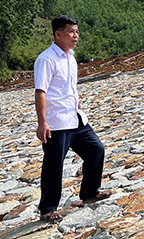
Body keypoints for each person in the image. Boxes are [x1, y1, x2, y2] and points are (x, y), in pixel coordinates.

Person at [34, 14, 109, 222]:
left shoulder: (71, 57)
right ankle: (48, 208)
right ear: (58, 34)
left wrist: (76, 102)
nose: (76, 35)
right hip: (56, 121)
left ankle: (89, 192)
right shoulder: (46, 59)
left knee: (96, 149)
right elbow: (41, 91)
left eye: (77, 32)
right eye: (71, 32)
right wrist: (42, 122)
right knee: (54, 164)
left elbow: (68, 86)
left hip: (75, 118)